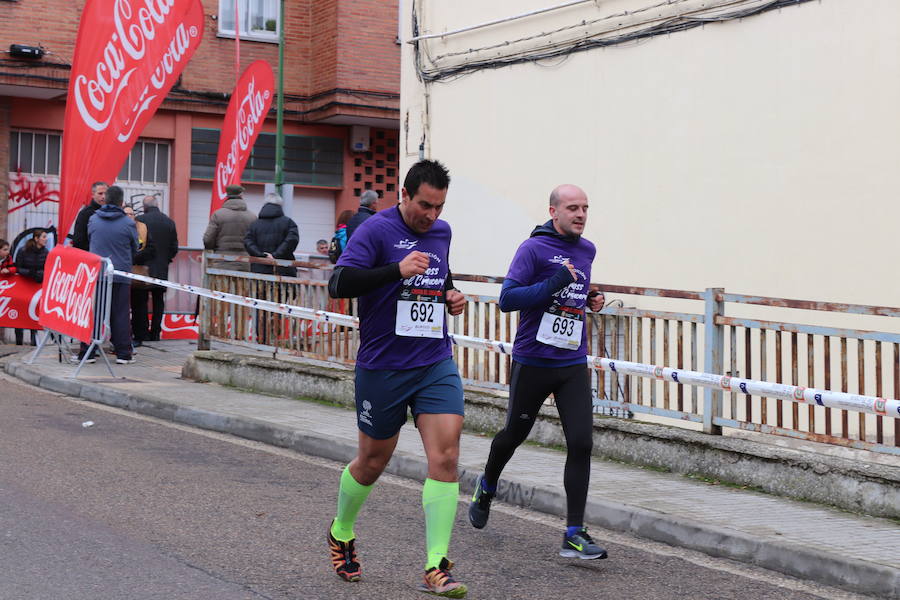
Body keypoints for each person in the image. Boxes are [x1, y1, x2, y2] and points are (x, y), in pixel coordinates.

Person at [326, 159, 469, 597]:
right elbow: (339, 283)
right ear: (404, 195)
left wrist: (449, 293)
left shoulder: (441, 232)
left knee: (445, 458)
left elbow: (438, 271)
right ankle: (341, 531)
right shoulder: (374, 231)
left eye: (440, 207)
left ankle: (435, 565)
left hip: (433, 362)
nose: (432, 215)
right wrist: (395, 271)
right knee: (372, 462)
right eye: (425, 205)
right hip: (383, 365)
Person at [468, 184, 608, 561]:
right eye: (573, 208)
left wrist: (589, 297)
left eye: (585, 208)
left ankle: (574, 533)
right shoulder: (532, 249)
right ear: (554, 212)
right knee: (514, 434)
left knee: (581, 443)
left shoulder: (587, 249)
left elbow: (574, 294)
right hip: (533, 361)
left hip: (571, 363)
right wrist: (554, 283)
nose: (580, 214)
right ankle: (487, 485)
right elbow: (508, 299)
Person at [87, 185, 138, 364]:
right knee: (121, 314)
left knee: (95, 314)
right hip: (121, 274)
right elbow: (135, 248)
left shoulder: (93, 219)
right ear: (121, 202)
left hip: (99, 274)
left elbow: (90, 239)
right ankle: (123, 354)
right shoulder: (128, 223)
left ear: (106, 199)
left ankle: (88, 353)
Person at [134, 195, 179, 342]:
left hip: (143, 267)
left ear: (144, 206)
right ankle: (155, 333)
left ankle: (142, 332)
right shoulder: (169, 222)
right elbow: (174, 247)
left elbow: (137, 244)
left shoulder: (140, 221)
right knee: (159, 301)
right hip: (161, 268)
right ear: (157, 204)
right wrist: (166, 259)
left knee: (141, 301)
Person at [243, 192, 299, 276]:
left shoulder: (254, 224)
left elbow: (248, 241)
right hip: (283, 269)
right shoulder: (288, 222)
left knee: (259, 289)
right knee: (284, 289)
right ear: (280, 205)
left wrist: (261, 255)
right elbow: (292, 240)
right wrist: (275, 255)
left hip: (259, 269)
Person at [203, 184, 256, 271]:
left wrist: (214, 249)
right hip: (244, 263)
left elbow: (208, 240)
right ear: (241, 195)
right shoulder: (252, 217)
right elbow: (254, 242)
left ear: (227, 195)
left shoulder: (218, 214)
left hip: (221, 262)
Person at [124, 202, 155, 347]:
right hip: (122, 272)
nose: (129, 216)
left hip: (138, 273)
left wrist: (137, 257)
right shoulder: (119, 227)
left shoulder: (143, 227)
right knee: (122, 307)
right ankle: (123, 335)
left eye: (131, 214)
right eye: (126, 214)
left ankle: (139, 336)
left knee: (139, 306)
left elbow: (151, 249)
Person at [15, 229, 49, 346]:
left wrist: (39, 274)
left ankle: (33, 342)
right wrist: (29, 272)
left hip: (36, 287)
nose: (46, 239)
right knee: (20, 313)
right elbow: (17, 268)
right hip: (23, 286)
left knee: (33, 312)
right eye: (44, 237)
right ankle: (18, 342)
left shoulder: (46, 252)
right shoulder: (22, 251)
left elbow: (47, 270)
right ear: (36, 238)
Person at [72, 181, 108, 250]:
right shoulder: (85, 214)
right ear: (93, 195)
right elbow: (78, 241)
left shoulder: (112, 212)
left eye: (106, 194)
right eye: (100, 193)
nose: (103, 196)